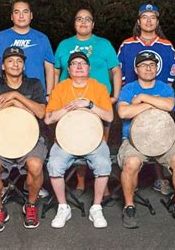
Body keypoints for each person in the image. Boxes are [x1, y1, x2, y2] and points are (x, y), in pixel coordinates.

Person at [0, 47, 48, 232]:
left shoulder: (33, 84)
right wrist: (11, 103)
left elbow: (41, 112)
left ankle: (31, 205)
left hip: (30, 139)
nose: (15, 64)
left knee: (35, 165)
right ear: (3, 65)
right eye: (10, 61)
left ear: (23, 65)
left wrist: (16, 96)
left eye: (19, 61)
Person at [117, 51, 175, 228]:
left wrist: (142, 99)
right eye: (144, 65)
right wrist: (154, 103)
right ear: (136, 69)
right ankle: (129, 206)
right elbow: (123, 112)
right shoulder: (128, 89)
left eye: (152, 65)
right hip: (134, 141)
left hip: (165, 140)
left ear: (157, 68)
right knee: (131, 163)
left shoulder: (164, 88)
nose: (148, 68)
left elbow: (171, 105)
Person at [54, 8, 121, 197]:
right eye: (79, 19)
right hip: (70, 100)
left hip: (98, 100)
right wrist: (52, 94)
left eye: (87, 19)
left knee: (101, 140)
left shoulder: (104, 44)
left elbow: (115, 71)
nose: (83, 22)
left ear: (93, 24)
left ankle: (103, 179)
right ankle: (81, 181)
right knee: (75, 137)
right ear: (74, 23)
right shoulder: (65, 45)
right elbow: (56, 71)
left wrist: (115, 95)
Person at [45, 52, 113, 229]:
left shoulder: (99, 88)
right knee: (54, 165)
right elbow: (48, 119)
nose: (79, 66)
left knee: (104, 164)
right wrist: (70, 106)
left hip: (94, 140)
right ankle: (63, 207)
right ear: (69, 69)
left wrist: (89, 104)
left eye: (83, 63)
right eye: (74, 63)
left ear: (89, 68)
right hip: (65, 141)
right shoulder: (60, 88)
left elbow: (109, 116)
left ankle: (96, 207)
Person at [118, 3, 175, 195]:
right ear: (138, 21)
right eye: (145, 17)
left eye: (153, 17)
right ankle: (132, 187)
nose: (149, 21)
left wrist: (152, 101)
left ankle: (160, 178)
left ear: (157, 21)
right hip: (133, 95)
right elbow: (120, 73)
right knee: (139, 136)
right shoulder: (127, 44)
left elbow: (169, 80)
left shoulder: (166, 45)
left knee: (159, 134)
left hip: (157, 98)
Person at [0, 0, 55, 97]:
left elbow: (49, 69)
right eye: (17, 12)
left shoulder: (42, 38)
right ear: (12, 16)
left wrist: (48, 94)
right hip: (5, 97)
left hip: (35, 97)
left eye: (25, 12)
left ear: (31, 15)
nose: (21, 16)